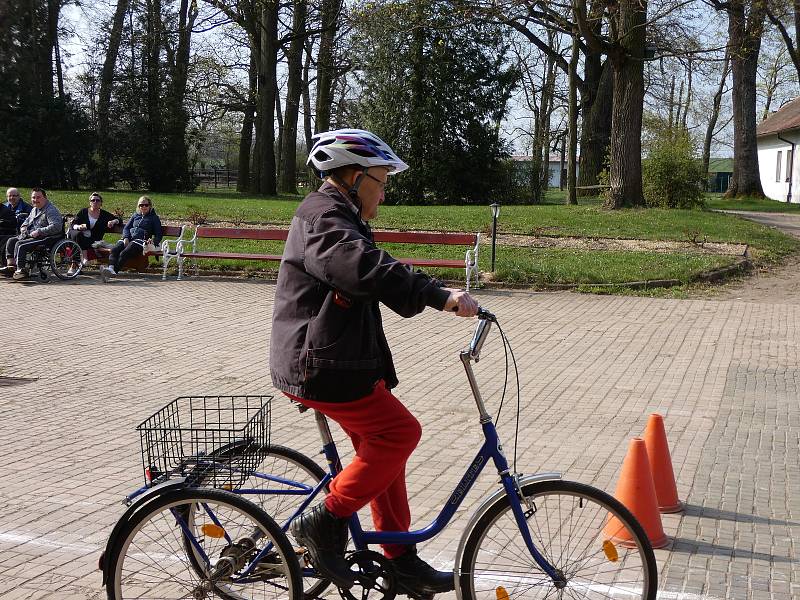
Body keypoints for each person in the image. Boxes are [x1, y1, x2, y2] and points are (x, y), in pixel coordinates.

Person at [270, 129, 478, 596]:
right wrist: (437, 295)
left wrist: (427, 292)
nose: (384, 191)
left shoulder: (339, 215)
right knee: (399, 434)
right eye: (380, 180)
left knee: (384, 454)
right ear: (352, 175)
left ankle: (399, 559)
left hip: (340, 361)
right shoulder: (322, 217)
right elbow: (364, 268)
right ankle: (325, 517)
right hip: (319, 365)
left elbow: (373, 267)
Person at [0, 188, 62, 280]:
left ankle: (21, 269)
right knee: (11, 240)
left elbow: (56, 226)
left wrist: (39, 231)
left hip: (47, 237)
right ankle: (11, 266)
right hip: (32, 235)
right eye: (33, 197)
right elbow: (26, 221)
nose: (35, 200)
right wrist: (23, 227)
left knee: (20, 244)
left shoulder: (50, 210)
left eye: (38, 197)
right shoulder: (34, 209)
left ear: (45, 198)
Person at [100, 196, 161, 281]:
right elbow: (126, 228)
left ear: (150, 206)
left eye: (146, 205)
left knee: (125, 252)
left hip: (141, 241)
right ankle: (110, 268)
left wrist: (154, 242)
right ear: (138, 206)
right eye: (141, 205)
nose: (143, 207)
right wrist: (126, 237)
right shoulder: (135, 215)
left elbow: (159, 234)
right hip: (129, 238)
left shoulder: (154, 218)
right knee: (115, 249)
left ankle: (112, 272)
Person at [68, 192, 121, 275]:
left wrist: (113, 221)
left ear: (101, 203)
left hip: (93, 240)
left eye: (97, 200)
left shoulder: (103, 214)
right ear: (90, 202)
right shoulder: (83, 211)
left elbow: (119, 220)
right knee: (78, 235)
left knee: (81, 240)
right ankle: (83, 258)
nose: (95, 202)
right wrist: (79, 227)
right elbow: (73, 224)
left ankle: (75, 265)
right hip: (78, 235)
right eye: (93, 200)